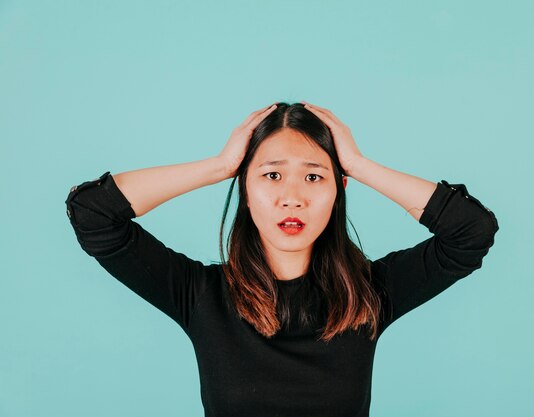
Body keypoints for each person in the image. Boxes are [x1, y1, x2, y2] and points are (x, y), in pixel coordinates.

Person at [64, 101, 499, 417]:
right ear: (247, 192)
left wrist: (360, 166)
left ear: (337, 191)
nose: (293, 198)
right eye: (271, 175)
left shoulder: (369, 295)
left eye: (314, 176)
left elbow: (471, 232)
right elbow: (94, 214)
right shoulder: (200, 295)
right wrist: (218, 167)